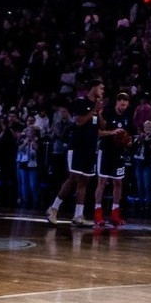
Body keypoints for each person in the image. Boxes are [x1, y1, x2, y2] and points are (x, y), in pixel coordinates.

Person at [46, 81, 104, 227]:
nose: (103, 91)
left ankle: (78, 215)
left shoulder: (97, 105)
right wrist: (94, 110)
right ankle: (53, 208)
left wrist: (99, 112)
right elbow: (79, 121)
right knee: (72, 178)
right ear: (94, 87)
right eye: (101, 88)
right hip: (78, 147)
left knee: (84, 181)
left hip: (91, 149)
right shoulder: (80, 102)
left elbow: (101, 127)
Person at [93, 91, 135, 228]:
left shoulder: (128, 116)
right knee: (102, 182)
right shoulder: (107, 113)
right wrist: (113, 132)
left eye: (125, 105)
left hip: (119, 153)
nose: (123, 107)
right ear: (117, 102)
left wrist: (128, 141)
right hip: (106, 151)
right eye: (122, 104)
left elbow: (130, 135)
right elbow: (99, 132)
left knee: (118, 182)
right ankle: (98, 212)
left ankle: (115, 213)